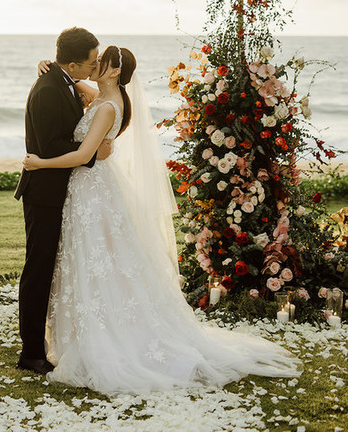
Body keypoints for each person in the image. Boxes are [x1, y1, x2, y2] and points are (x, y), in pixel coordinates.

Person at [23, 44, 302, 395]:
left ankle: (111, 333)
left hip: (91, 190)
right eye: (91, 61)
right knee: (96, 260)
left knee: (100, 260)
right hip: (87, 191)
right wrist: (49, 66)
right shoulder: (103, 95)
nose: (93, 66)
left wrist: (39, 163)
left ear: (111, 71)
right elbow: (74, 84)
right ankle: (88, 327)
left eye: (100, 62)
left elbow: (82, 153)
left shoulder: (109, 106)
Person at [14, 27, 113, 375]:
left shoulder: (64, 81)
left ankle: (49, 342)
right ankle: (31, 353)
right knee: (38, 272)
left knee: (52, 269)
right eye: (91, 61)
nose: (95, 65)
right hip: (44, 194)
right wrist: (91, 151)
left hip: (62, 192)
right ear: (72, 63)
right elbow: (50, 146)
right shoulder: (47, 90)